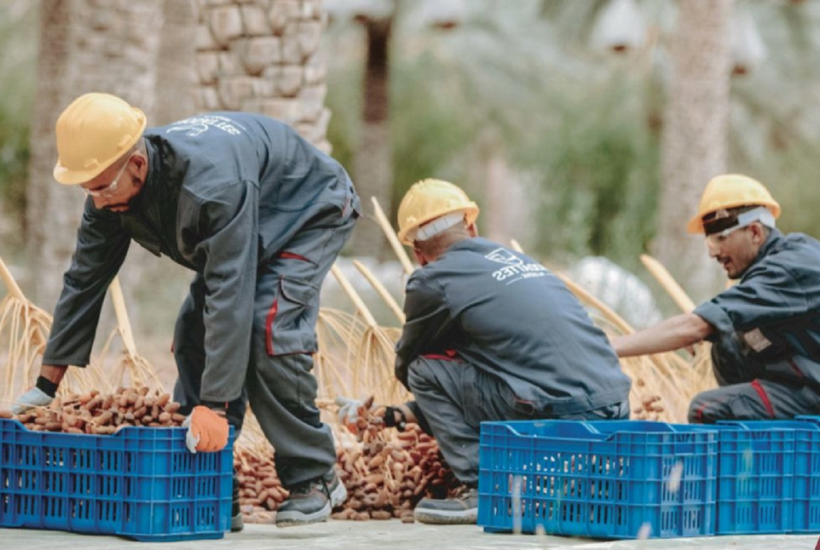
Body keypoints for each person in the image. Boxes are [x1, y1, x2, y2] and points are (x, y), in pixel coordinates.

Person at [13, 93, 359, 528]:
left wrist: (215, 406)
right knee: (192, 334)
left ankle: (315, 476)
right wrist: (46, 384)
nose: (96, 200)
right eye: (87, 188)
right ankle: (208, 483)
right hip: (244, 225)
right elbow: (84, 281)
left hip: (305, 213)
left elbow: (231, 296)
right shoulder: (108, 187)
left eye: (101, 188)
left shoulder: (212, 187)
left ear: (137, 164)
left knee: (265, 328)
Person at [341, 178, 631, 525]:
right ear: (472, 227)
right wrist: (392, 416)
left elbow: (411, 368)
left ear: (419, 254)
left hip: (561, 411)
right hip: (614, 408)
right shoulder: (522, 262)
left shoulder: (432, 279)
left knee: (423, 367)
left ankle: (485, 488)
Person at [611, 174, 820, 423]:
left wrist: (607, 347)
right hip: (803, 387)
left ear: (754, 231)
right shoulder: (772, 270)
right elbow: (717, 318)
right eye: (709, 240)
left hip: (811, 390)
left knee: (706, 408)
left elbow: (697, 324)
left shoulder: (791, 267)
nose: (712, 251)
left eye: (720, 238)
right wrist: (709, 330)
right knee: (725, 340)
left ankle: (741, 459)